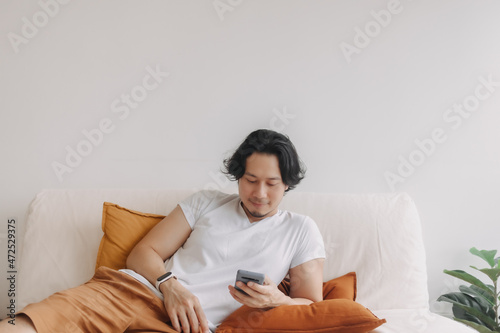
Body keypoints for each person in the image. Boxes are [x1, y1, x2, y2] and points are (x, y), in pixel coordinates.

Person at [1, 129, 325, 333]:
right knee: (36, 322)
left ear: (288, 183)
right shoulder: (207, 202)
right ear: (238, 176)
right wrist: (171, 287)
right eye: (251, 180)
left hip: (193, 327)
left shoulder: (301, 230)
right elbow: (143, 253)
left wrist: (277, 299)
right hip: (135, 293)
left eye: (272, 183)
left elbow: (313, 309)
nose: (260, 193)